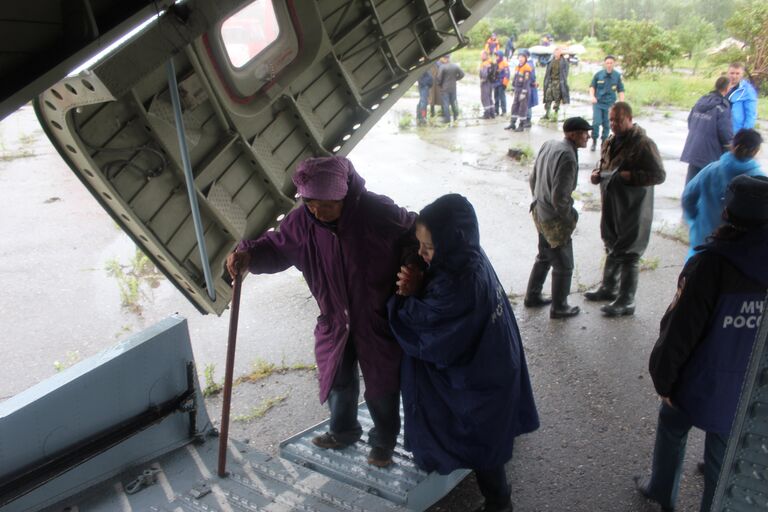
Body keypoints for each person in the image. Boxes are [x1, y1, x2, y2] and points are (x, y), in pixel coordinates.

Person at [226, 156, 416, 468]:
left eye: (326, 204)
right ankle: (343, 431)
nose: (317, 211)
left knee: (382, 384)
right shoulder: (302, 223)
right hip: (334, 320)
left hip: (376, 318)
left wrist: (412, 265)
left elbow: (413, 230)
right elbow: (276, 248)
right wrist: (249, 255)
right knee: (337, 379)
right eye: (311, 202)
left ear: (344, 194)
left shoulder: (376, 211)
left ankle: (383, 442)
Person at [388, 194, 539, 512]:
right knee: (488, 437)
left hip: (479, 381)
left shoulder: (457, 285)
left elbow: (425, 331)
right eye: (420, 244)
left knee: (481, 441)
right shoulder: (469, 255)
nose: (421, 252)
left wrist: (406, 296)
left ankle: (500, 504)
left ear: (449, 240)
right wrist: (422, 270)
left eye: (427, 247)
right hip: (496, 364)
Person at [635, 174, 768, 512]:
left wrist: (663, 378)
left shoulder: (711, 265)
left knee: (672, 426)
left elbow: (681, 329)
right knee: (723, 453)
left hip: (697, 380)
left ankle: (662, 492)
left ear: (728, 214)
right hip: (747, 388)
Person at [585, 102, 665, 316]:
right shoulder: (610, 141)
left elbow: (659, 175)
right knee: (611, 243)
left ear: (629, 119)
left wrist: (632, 176)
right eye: (611, 120)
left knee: (630, 253)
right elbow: (605, 166)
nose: (614, 124)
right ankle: (608, 288)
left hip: (634, 207)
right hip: (612, 203)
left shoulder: (643, 144)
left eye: (618, 120)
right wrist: (596, 174)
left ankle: (626, 300)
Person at [525, 117, 592, 318]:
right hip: (553, 218)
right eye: (584, 132)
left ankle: (533, 296)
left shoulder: (550, 145)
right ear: (572, 134)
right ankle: (559, 307)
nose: (588, 136)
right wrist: (570, 217)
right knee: (564, 265)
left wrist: (539, 200)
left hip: (538, 210)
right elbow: (560, 198)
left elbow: (532, 178)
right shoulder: (568, 157)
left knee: (544, 256)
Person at [682, 129, 764, 260]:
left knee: (693, 274)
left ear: (732, 145)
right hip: (737, 248)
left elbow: (688, 197)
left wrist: (695, 221)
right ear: (755, 151)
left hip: (703, 236)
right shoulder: (759, 179)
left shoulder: (712, 169)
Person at [680, 76, 733, 184]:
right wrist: (731, 146)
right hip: (710, 152)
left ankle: (687, 200)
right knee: (707, 185)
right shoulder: (722, 107)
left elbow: (690, 122)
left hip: (694, 148)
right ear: (727, 89)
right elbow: (725, 132)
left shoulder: (701, 101)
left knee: (691, 182)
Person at [589, 55, 625, 151]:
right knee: (596, 123)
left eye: (611, 63)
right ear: (605, 64)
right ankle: (594, 141)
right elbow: (592, 87)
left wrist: (622, 103)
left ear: (614, 64)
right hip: (598, 103)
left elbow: (621, 90)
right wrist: (592, 96)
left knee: (607, 125)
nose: (609, 65)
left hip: (609, 104)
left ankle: (604, 143)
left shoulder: (617, 76)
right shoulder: (599, 75)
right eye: (607, 63)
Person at [504, 50, 533, 132]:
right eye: (519, 57)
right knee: (514, 107)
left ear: (525, 58)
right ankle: (512, 123)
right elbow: (515, 79)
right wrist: (512, 89)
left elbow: (526, 82)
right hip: (517, 89)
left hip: (524, 91)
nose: (520, 59)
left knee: (522, 108)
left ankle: (521, 125)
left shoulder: (527, 68)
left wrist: (523, 92)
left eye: (522, 57)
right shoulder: (517, 67)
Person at [727, 61, 758, 133]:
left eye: (737, 73)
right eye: (732, 73)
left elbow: (751, 115)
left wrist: (745, 134)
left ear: (742, 74)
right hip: (721, 130)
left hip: (736, 131)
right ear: (727, 73)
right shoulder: (723, 86)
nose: (734, 76)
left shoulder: (748, 91)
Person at [542, 47, 570, 122]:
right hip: (551, 82)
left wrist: (563, 82)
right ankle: (547, 114)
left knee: (557, 99)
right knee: (548, 98)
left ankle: (555, 114)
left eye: (558, 52)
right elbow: (548, 72)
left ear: (560, 53)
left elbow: (565, 73)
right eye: (555, 52)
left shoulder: (564, 62)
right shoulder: (551, 61)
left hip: (558, 82)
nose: (556, 53)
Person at [437, 54, 465, 123]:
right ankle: (455, 117)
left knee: (446, 104)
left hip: (445, 88)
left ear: (444, 58)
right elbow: (462, 74)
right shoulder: (455, 66)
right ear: (449, 58)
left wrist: (440, 85)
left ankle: (447, 119)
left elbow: (439, 79)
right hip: (453, 88)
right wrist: (456, 79)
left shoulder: (442, 67)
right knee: (453, 103)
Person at [493, 50, 510, 117]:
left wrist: (504, 84)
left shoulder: (504, 64)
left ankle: (504, 111)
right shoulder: (496, 63)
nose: (496, 57)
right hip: (496, 83)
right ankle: (496, 111)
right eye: (495, 56)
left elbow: (507, 75)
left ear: (500, 56)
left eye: (497, 56)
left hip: (501, 83)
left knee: (502, 98)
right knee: (496, 98)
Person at [480, 50, 495, 119]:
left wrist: (483, 79)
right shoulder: (490, 62)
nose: (481, 56)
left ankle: (487, 114)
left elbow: (485, 73)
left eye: (482, 55)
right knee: (489, 97)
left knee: (485, 98)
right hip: (490, 82)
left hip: (485, 82)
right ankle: (492, 113)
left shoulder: (485, 63)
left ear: (486, 55)